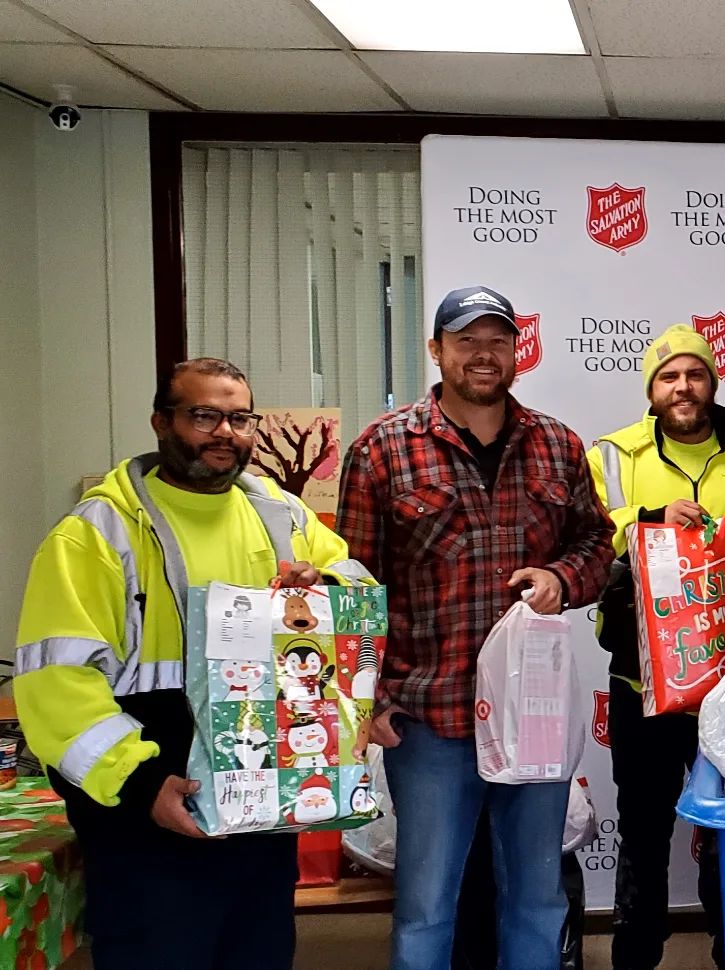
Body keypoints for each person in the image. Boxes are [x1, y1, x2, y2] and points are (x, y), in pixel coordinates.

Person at [13, 358, 372, 969]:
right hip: (151, 817)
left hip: (260, 806)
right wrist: (142, 784)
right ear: (161, 422)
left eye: (239, 418)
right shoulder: (98, 533)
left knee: (258, 955)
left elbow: (355, 587)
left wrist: (324, 583)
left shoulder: (281, 513)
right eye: (204, 415)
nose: (224, 433)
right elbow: (57, 685)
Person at [336, 284, 616, 970]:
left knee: (537, 900)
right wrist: (368, 701)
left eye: (498, 340)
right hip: (430, 719)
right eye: (466, 341)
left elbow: (596, 544)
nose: (483, 355)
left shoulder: (557, 444)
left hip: (536, 716)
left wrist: (561, 579)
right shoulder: (383, 449)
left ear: (518, 351)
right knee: (428, 908)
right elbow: (354, 588)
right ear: (437, 351)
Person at [588, 324, 725, 970]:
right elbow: (586, 536)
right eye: (669, 376)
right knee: (645, 832)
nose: (682, 387)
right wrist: (651, 521)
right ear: (651, 390)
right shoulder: (613, 456)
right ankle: (634, 957)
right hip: (641, 683)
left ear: (713, 381)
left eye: (695, 374)